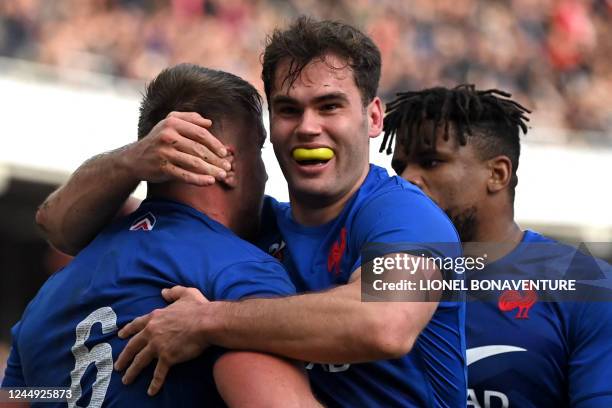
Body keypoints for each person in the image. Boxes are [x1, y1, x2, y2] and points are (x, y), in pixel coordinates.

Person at [35, 18, 466, 407]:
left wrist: (207, 320)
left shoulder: (405, 214)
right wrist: (132, 160)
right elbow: (60, 228)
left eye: (329, 106)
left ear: (373, 117)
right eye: (288, 109)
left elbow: (385, 322)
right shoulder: (250, 231)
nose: (308, 127)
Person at [1, 63, 320, 407]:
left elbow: (19, 398)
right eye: (258, 152)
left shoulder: (48, 297)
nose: (264, 175)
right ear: (227, 165)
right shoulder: (241, 272)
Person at [381, 84, 612, 407]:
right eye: (400, 167)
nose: (406, 180)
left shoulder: (586, 286)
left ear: (497, 174)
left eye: (431, 162)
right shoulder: (370, 279)